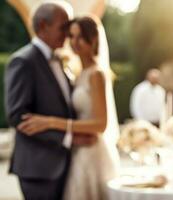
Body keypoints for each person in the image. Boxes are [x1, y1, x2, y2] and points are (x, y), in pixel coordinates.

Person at [17, 16, 118, 200]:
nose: (74, 42)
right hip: (75, 151)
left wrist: (51, 122)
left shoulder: (96, 75)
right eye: (71, 36)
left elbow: (100, 124)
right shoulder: (77, 73)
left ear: (93, 39)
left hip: (92, 152)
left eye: (80, 37)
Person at [5, 2, 98, 200]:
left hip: (68, 164)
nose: (68, 34)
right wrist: (67, 138)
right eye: (64, 27)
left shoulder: (61, 61)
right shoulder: (23, 61)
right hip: (38, 169)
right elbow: (18, 116)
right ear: (43, 26)